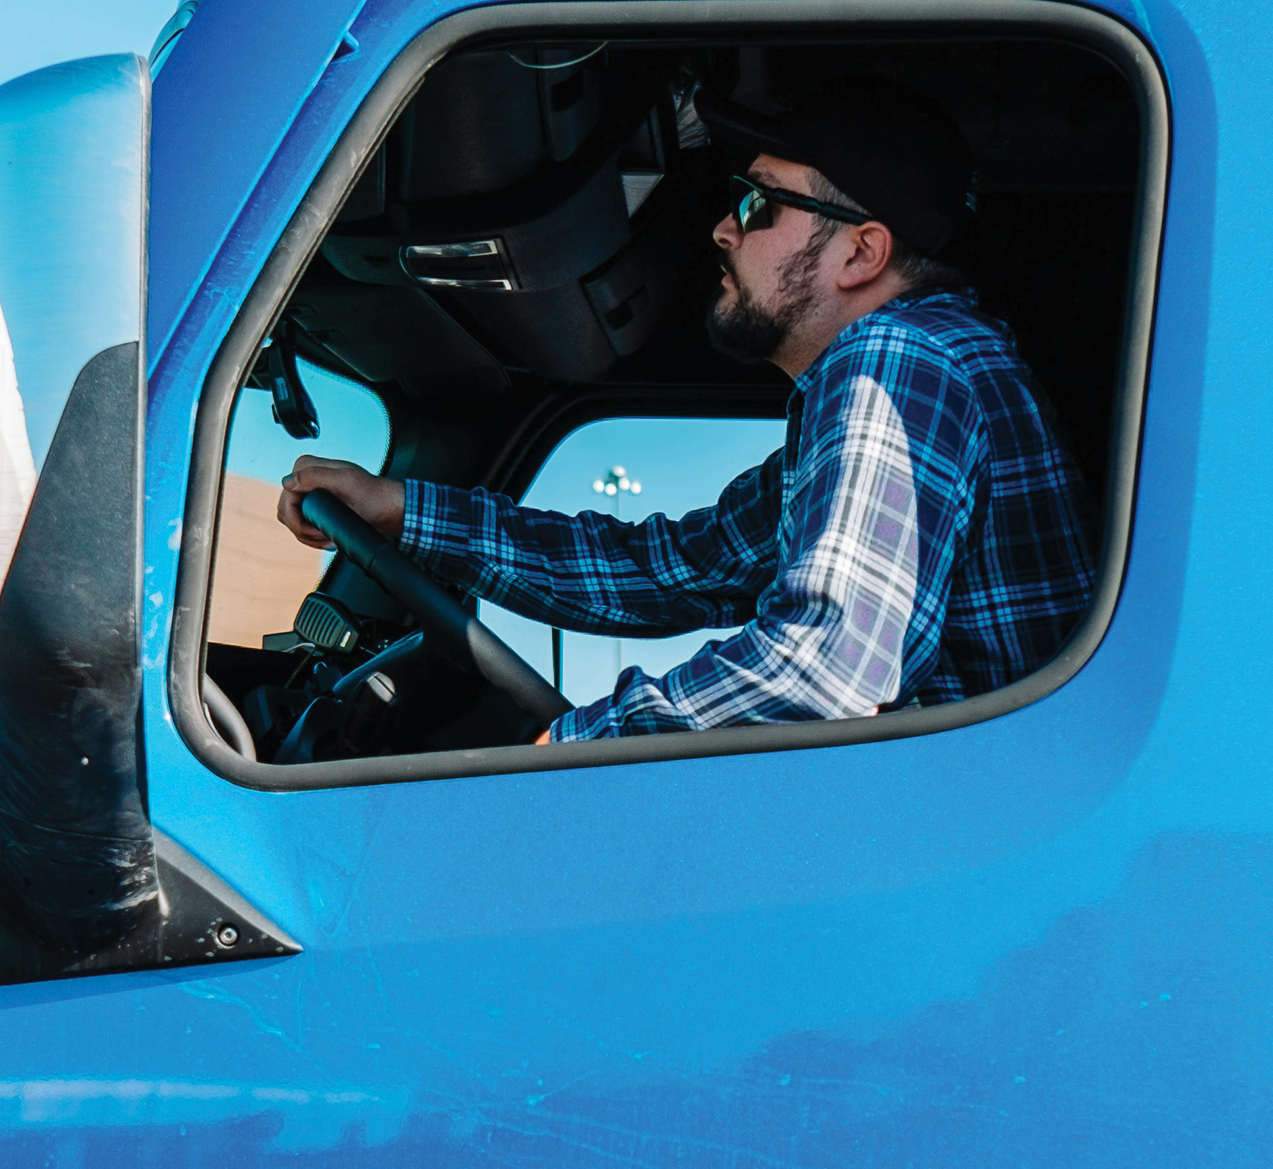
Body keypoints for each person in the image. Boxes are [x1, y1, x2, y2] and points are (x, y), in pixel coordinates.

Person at [277, 77, 1097, 743]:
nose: (720, 230)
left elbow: (822, 670)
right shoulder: (902, 381)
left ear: (860, 252)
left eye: (756, 204)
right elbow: (664, 571)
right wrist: (403, 512)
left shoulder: (898, 360)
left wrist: (568, 753)